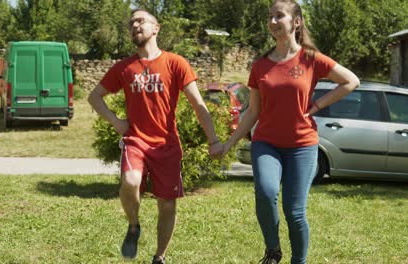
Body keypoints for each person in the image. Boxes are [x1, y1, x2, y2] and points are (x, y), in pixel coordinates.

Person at [220, 0, 359, 263]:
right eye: (270, 16)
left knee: (295, 211)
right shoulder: (260, 65)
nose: (273, 21)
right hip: (267, 143)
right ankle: (272, 250)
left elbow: (351, 81)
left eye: (279, 16)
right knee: (266, 191)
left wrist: (317, 105)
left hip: (302, 145)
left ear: (296, 22)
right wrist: (228, 144)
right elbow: (252, 111)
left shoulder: (310, 58)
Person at [87, 8, 223, 264]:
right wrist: (116, 122)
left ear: (156, 28)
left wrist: (213, 140)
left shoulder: (175, 63)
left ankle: (159, 256)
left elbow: (198, 104)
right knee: (130, 180)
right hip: (135, 140)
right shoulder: (124, 68)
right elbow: (94, 97)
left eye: (141, 21)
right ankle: (134, 225)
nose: (135, 26)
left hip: (166, 145)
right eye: (131, 23)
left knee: (167, 206)